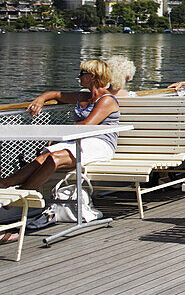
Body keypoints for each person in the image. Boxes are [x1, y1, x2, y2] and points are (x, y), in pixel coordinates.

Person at [0, 59, 120, 244]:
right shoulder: (82, 96)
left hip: (100, 143)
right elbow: (55, 93)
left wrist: (57, 136)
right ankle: (6, 183)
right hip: (78, 141)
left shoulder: (107, 100)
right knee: (45, 156)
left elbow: (87, 126)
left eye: (82, 74)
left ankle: (21, 196)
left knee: (54, 158)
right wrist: (40, 99)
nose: (78, 77)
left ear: (92, 76)